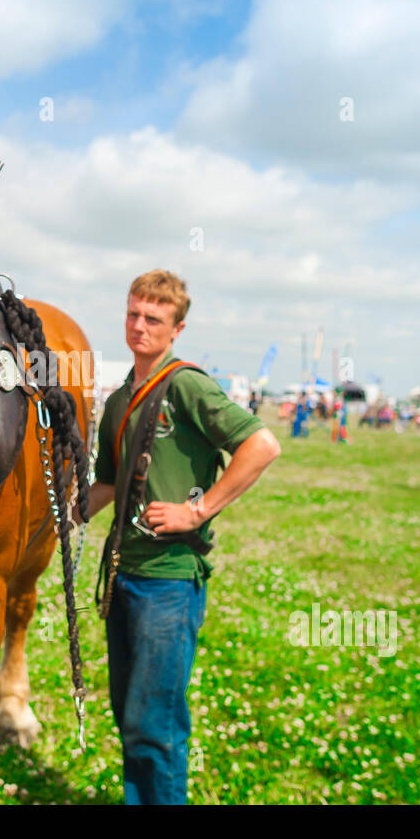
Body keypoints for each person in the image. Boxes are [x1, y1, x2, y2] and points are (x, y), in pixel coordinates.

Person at [77, 270, 281, 805]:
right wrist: (60, 515)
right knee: (129, 713)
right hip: (125, 574)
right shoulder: (121, 399)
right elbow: (105, 482)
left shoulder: (186, 384)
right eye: (133, 314)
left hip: (169, 579)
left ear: (177, 328)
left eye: (153, 319)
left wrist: (200, 510)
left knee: (155, 724)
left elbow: (261, 445)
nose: (139, 326)